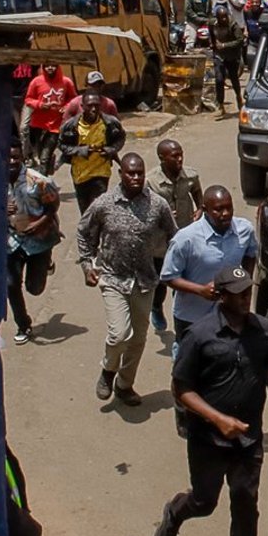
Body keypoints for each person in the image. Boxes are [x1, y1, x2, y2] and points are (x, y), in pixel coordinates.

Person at [154, 264, 268, 536]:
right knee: (204, 501)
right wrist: (218, 420)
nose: (246, 299)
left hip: (248, 442)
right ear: (221, 295)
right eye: (238, 294)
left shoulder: (264, 329)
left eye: (248, 293)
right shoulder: (200, 336)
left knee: (246, 508)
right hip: (207, 440)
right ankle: (175, 513)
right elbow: (181, 389)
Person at [77, 152, 177, 408]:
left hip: (145, 280)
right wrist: (87, 264)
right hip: (113, 277)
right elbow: (83, 232)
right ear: (121, 174)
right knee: (119, 333)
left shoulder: (158, 204)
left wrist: (176, 266)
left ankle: (124, 384)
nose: (135, 177)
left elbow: (174, 236)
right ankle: (108, 371)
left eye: (140, 173)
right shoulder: (104, 203)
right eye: (130, 173)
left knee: (139, 339)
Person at [160, 186, 259, 344]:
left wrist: (244, 284)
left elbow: (250, 254)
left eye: (229, 208)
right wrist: (201, 290)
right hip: (192, 317)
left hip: (229, 316)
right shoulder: (186, 239)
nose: (225, 214)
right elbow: (168, 276)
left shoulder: (244, 230)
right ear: (205, 209)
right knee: (190, 365)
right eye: (218, 210)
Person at [5, 145, 61, 344]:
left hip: (39, 241)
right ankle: (23, 324)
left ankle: (47, 264)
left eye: (15, 157)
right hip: (11, 241)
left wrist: (38, 223)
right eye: (7, 157)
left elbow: (53, 205)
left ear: (22, 157)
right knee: (10, 284)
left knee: (34, 288)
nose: (11, 161)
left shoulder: (38, 181)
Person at [149, 139, 202, 333]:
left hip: (185, 234)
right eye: (174, 155)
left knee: (182, 279)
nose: (179, 158)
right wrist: (160, 215)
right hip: (160, 241)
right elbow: (143, 207)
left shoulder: (191, 175)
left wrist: (200, 209)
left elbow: (197, 192)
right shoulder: (150, 181)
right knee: (161, 281)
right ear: (162, 158)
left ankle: (180, 317)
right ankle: (156, 307)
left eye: (181, 154)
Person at [58, 88, 125, 213]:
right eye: (90, 106)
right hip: (80, 174)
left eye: (96, 105)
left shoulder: (110, 123)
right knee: (85, 211)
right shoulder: (71, 126)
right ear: (82, 106)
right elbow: (62, 145)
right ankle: (88, 232)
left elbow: (120, 139)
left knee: (98, 207)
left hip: (101, 172)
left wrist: (110, 150)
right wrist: (81, 151)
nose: (93, 109)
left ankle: (98, 231)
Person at [21, 62, 76, 174]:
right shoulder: (36, 82)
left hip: (55, 126)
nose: (50, 68)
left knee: (44, 158)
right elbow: (28, 99)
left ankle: (42, 185)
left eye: (53, 65)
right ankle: (47, 166)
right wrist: (40, 105)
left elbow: (73, 98)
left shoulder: (66, 82)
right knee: (41, 155)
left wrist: (66, 107)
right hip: (37, 125)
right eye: (47, 65)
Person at [212, 5, 247, 116]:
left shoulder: (233, 25)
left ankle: (238, 97)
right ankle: (220, 105)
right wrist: (213, 44)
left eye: (225, 17)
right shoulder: (213, 24)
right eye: (221, 17)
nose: (224, 19)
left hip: (231, 56)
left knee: (234, 78)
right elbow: (211, 35)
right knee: (219, 79)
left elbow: (240, 40)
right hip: (219, 56)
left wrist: (224, 45)